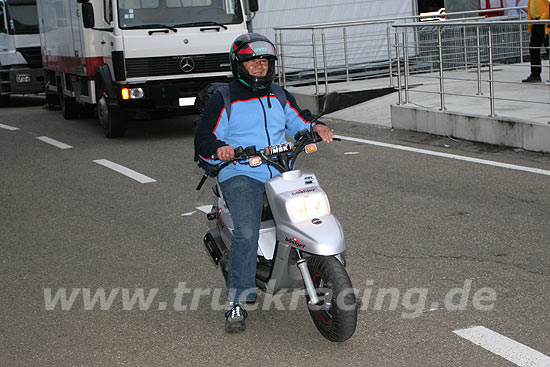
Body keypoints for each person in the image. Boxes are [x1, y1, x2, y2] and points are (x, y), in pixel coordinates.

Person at [194, 33, 334, 333]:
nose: (259, 67)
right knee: (247, 231)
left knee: (314, 216)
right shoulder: (225, 98)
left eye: (265, 62)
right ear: (239, 65)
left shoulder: (278, 94)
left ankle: (335, 286)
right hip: (241, 172)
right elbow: (204, 137)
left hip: (280, 170)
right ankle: (237, 300)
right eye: (253, 62)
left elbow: (299, 120)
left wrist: (315, 127)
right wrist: (220, 148)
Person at [521, 0, 549, 83]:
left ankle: (535, 74)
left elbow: (548, 7)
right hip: (536, 22)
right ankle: (535, 74)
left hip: (544, 22)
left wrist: (542, 19)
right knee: (533, 48)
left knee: (548, 47)